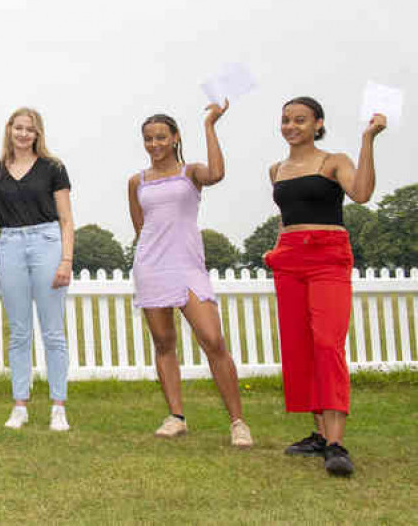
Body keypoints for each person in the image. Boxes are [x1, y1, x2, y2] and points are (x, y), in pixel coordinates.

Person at [265, 96, 385, 476]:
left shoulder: (334, 161)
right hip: (290, 260)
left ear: (318, 123)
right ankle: (318, 435)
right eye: (286, 120)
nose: (291, 126)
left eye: (300, 120)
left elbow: (362, 193)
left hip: (328, 258)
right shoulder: (276, 170)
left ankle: (336, 444)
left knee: (327, 343)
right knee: (301, 347)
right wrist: (278, 246)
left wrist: (368, 140)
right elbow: (287, 217)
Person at [127, 102, 253, 448]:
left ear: (175, 138)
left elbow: (217, 173)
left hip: (187, 266)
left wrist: (211, 125)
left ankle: (238, 423)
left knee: (213, 340)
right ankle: (176, 417)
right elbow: (141, 227)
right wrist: (148, 257)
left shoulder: (191, 172)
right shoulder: (136, 181)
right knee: (164, 342)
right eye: (148, 139)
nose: (155, 145)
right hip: (152, 266)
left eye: (161, 138)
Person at [0, 108, 73, 431]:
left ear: (38, 134)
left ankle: (58, 407)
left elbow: (66, 219)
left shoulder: (54, 168)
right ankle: (19, 406)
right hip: (10, 245)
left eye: (30, 129)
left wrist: (66, 260)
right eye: (18, 128)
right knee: (19, 332)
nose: (23, 134)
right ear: (9, 130)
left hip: (47, 242)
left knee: (52, 331)